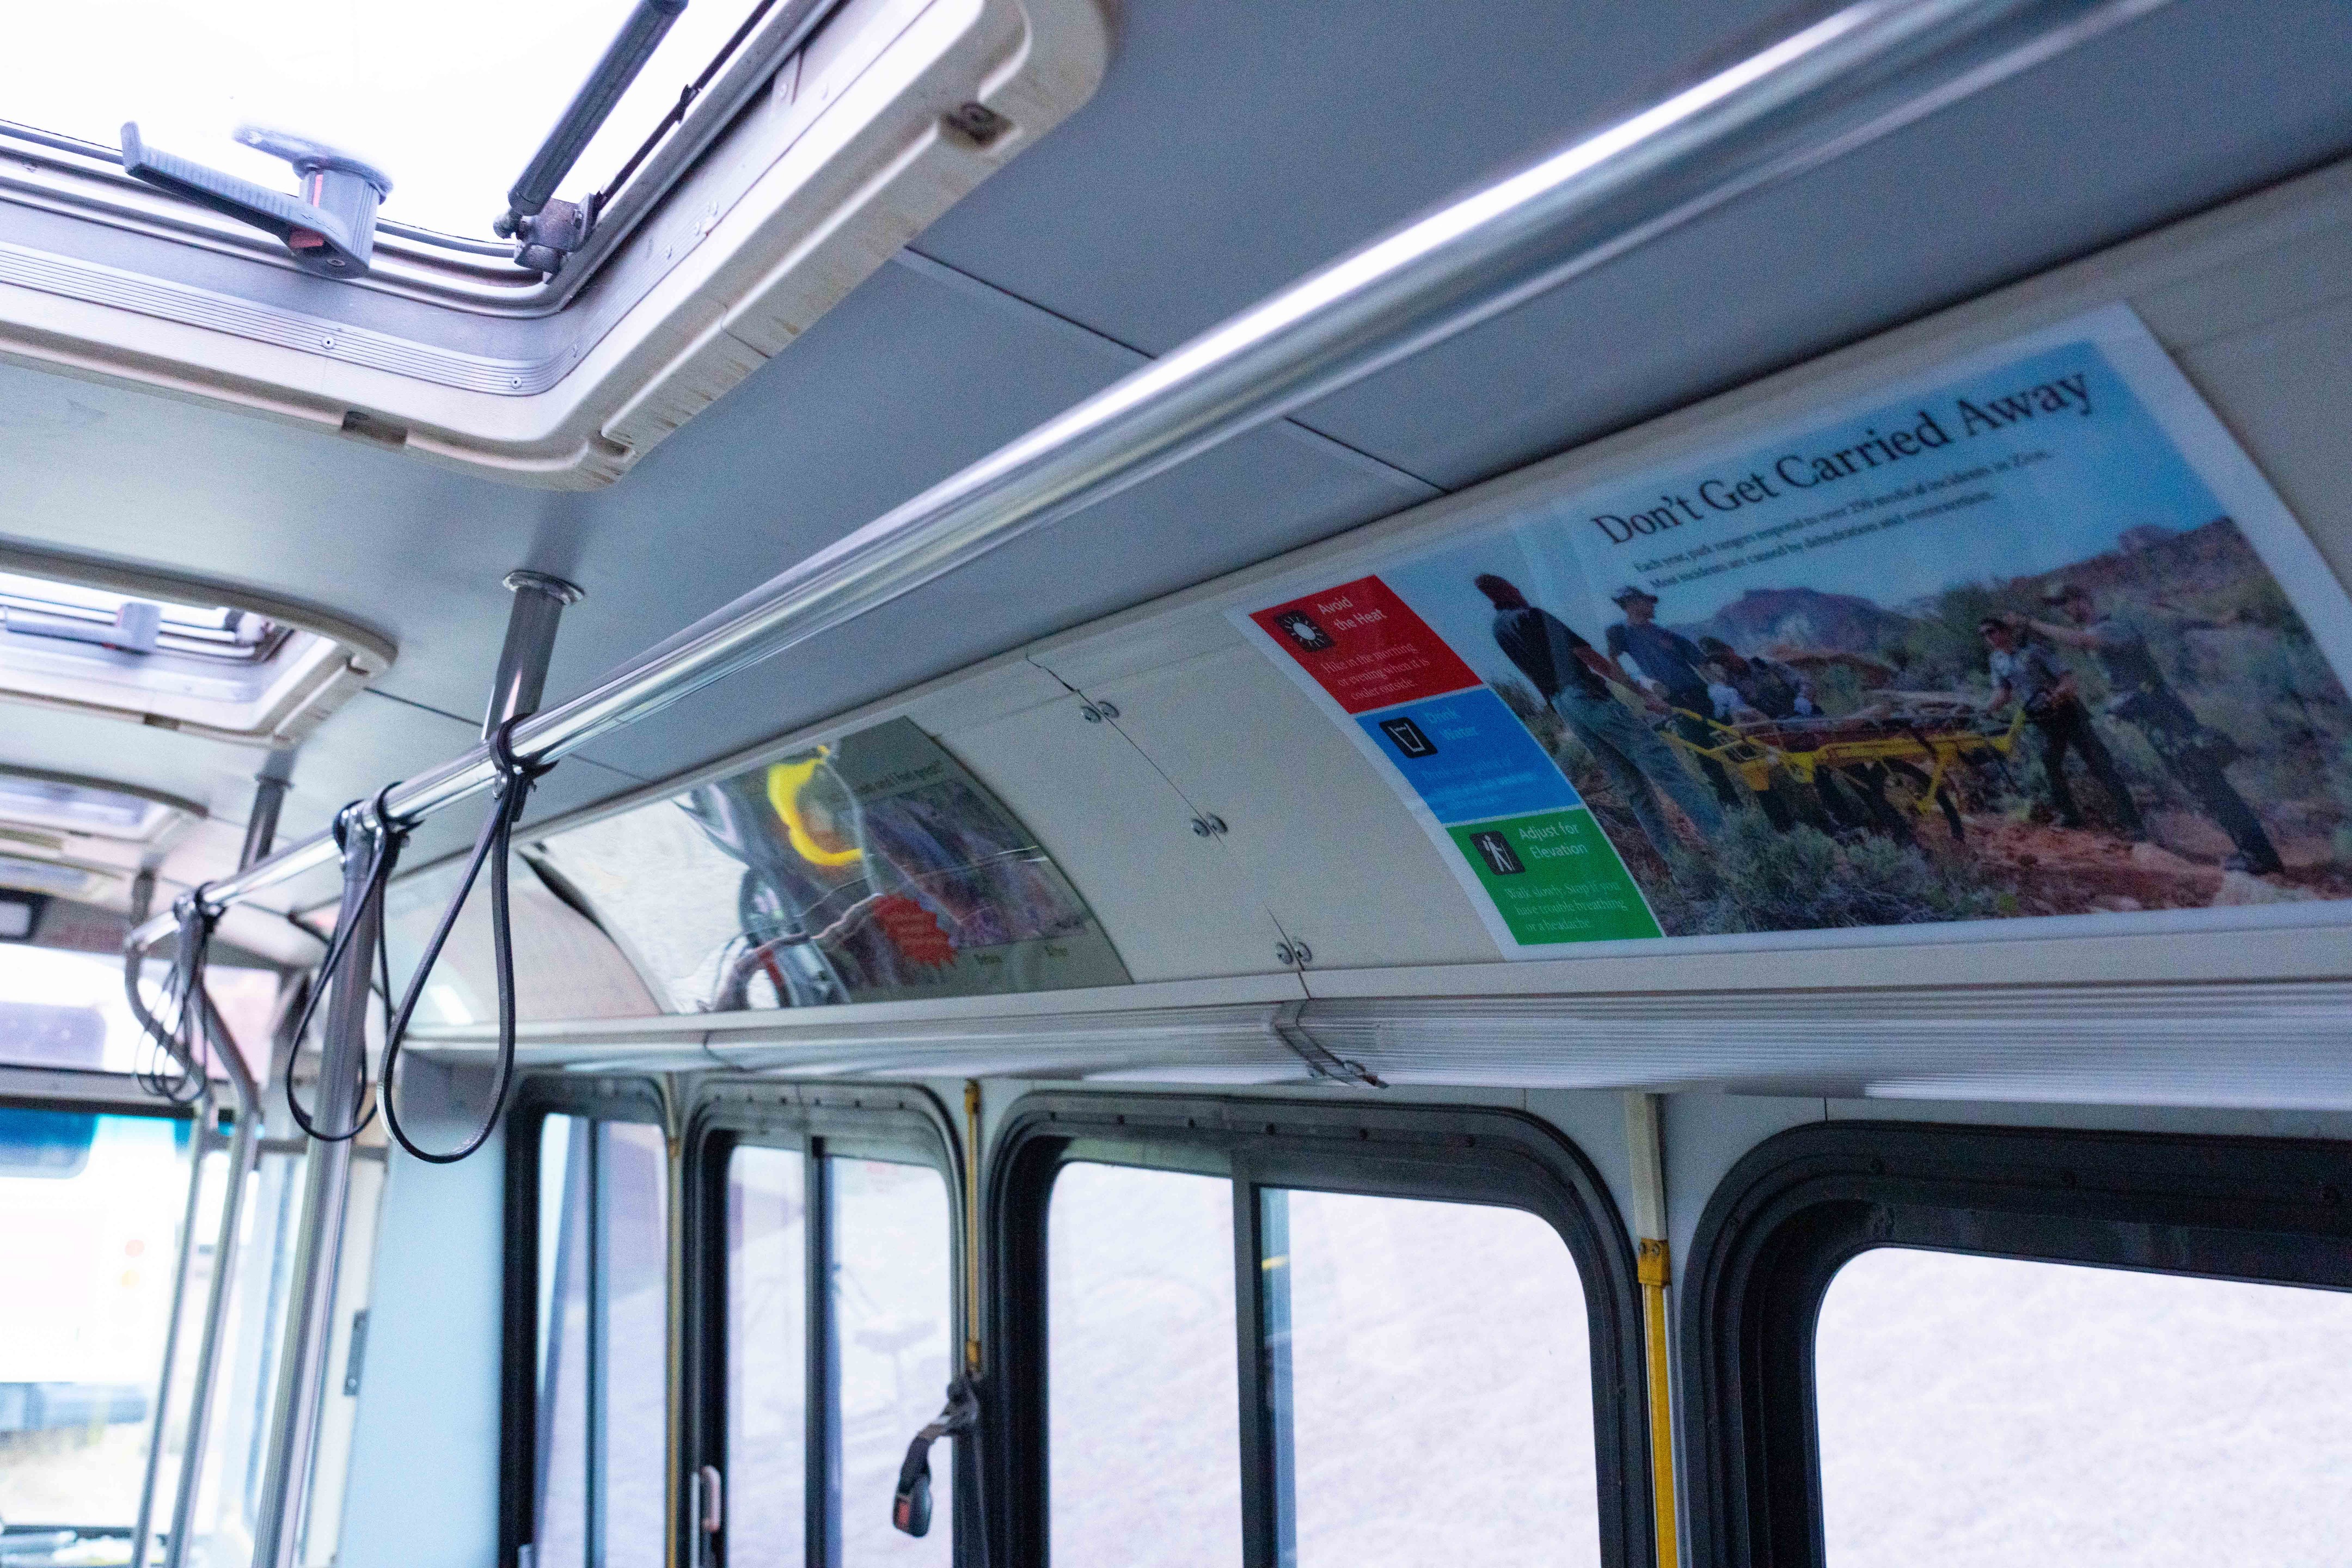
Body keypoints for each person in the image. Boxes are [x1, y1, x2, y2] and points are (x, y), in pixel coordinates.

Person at [2012, 584, 2282, 873]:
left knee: (2207, 782)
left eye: (2067, 602)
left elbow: (2081, 642)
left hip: (2165, 718)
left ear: (2084, 598)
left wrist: (2031, 623)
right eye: (2060, 606)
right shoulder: (2106, 629)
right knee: (2201, 784)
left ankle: (2259, 855)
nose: (2065, 610)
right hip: (2156, 719)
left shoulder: (2112, 627)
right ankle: (2253, 851)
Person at [1475, 574, 1724, 863]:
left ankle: (1680, 865)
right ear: (1506, 590)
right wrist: (1643, 694)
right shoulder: (1532, 616)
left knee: (1633, 788)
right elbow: (1587, 656)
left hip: (1565, 707)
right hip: (1589, 697)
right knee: (1666, 768)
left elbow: (1534, 672)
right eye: (1516, 587)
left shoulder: (1500, 629)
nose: (1521, 590)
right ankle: (1727, 842)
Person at [1980, 615, 2147, 840]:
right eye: (1984, 634)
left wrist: (2059, 694)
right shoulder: (1997, 661)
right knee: (2050, 764)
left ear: (2006, 630)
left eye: (1992, 631)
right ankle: (2071, 816)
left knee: (2099, 764)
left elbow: (2067, 678)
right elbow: (2003, 692)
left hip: (2069, 713)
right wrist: (1986, 710)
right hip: (2042, 719)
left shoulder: (2034, 650)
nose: (1989, 637)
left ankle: (2134, 823)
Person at [1604, 585, 1744, 810]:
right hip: (1674, 702)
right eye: (1647, 601)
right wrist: (1643, 693)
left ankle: (1762, 792)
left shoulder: (1668, 635)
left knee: (1738, 741)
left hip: (1701, 695)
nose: (1652, 606)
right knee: (1705, 756)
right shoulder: (1621, 635)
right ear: (1631, 604)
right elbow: (1615, 667)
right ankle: (1733, 808)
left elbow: (1703, 665)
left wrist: (1721, 688)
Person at [1695, 635, 1818, 721]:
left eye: (1725, 659)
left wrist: (1804, 700)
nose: (1725, 665)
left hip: (1806, 718)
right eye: (1719, 662)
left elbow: (1804, 682)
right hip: (1776, 730)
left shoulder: (1766, 664)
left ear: (1731, 650)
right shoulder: (1730, 685)